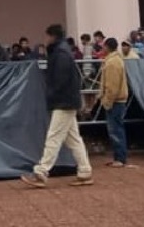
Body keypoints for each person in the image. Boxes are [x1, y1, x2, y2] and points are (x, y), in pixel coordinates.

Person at [21, 25, 93, 188]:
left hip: (63, 101)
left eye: (47, 36)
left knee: (53, 136)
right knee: (73, 139)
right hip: (68, 100)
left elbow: (58, 81)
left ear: (52, 36)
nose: (45, 39)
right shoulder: (63, 51)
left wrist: (51, 95)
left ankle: (41, 171)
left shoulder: (59, 54)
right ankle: (85, 171)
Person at [100, 38, 133, 168]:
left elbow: (112, 86)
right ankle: (119, 157)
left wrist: (107, 101)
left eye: (103, 47)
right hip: (118, 100)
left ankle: (120, 158)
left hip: (115, 101)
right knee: (116, 129)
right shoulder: (116, 60)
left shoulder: (112, 63)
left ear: (108, 47)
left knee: (115, 130)